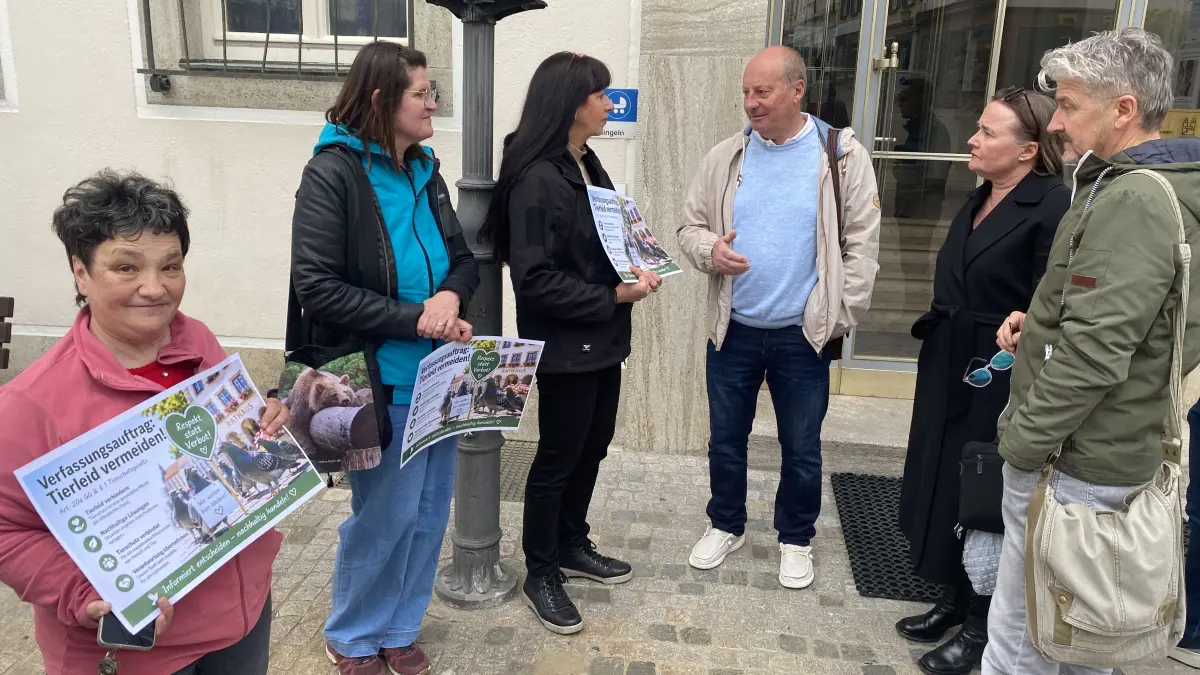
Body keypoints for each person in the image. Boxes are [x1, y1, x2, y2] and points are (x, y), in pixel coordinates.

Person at [0, 170, 290, 675]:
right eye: (126, 267)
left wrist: (261, 427)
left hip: (239, 621)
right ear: (81, 272)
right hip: (138, 654)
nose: (154, 289)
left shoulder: (196, 338)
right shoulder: (31, 402)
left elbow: (221, 447)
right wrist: (81, 590)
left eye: (170, 266)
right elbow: (8, 531)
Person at [984, 28, 1200, 675]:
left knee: (1022, 644)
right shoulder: (1162, 185)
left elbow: (1096, 354)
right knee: (1085, 642)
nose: (1055, 122)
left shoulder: (1135, 196)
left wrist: (1021, 443)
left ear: (1124, 110)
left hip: (1074, 462)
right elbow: (1141, 322)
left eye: (1071, 105)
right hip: (1110, 456)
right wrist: (1045, 325)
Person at [289, 41, 479, 675]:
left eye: (432, 93)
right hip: (379, 378)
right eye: (421, 94)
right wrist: (416, 318)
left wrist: (451, 293)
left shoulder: (423, 168)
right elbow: (316, 286)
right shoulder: (333, 173)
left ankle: (399, 626)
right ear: (380, 100)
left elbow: (461, 256)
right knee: (385, 515)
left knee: (428, 513)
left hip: (441, 377)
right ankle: (352, 635)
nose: (433, 105)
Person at [677, 45, 880, 589]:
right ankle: (726, 524)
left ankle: (796, 537)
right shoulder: (726, 156)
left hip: (802, 334)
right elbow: (689, 227)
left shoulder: (839, 156)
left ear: (797, 90)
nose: (751, 103)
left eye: (762, 91)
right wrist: (709, 252)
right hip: (733, 328)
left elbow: (862, 245)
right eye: (746, 92)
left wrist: (838, 316)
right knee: (725, 439)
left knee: (802, 447)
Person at [480, 51, 661, 635]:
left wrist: (638, 262)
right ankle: (542, 570)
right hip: (566, 345)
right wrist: (613, 298)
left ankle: (571, 544)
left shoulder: (585, 160)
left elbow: (603, 239)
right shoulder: (537, 176)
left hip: (603, 340)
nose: (611, 103)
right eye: (602, 95)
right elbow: (533, 280)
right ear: (572, 102)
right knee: (558, 457)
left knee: (594, 446)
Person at [896, 86, 1067, 675]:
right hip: (950, 358)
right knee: (943, 475)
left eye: (989, 133)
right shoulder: (981, 196)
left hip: (1000, 370)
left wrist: (1024, 330)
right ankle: (951, 592)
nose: (972, 138)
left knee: (984, 490)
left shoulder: (1051, 205)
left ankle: (980, 626)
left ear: (1028, 150)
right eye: (978, 127)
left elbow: (1051, 298)